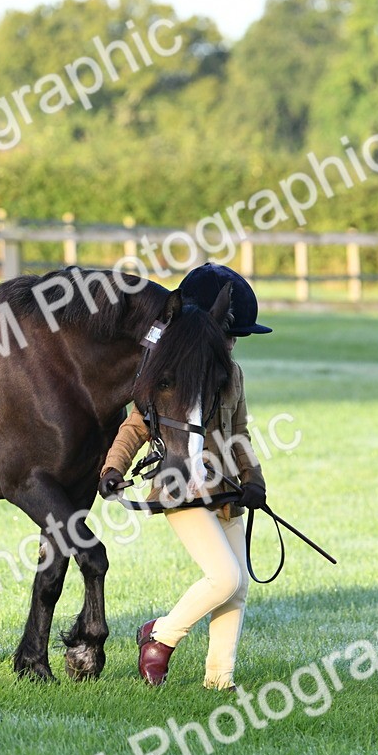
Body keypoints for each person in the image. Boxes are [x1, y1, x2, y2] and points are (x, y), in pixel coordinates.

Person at [98, 263, 272, 689]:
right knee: (224, 576)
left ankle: (219, 680)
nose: (232, 346)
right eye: (229, 336)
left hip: (226, 491)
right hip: (180, 488)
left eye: (236, 339)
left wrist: (253, 479)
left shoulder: (231, 373)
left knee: (237, 588)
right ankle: (159, 638)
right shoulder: (171, 372)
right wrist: (113, 467)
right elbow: (136, 426)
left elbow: (240, 431)